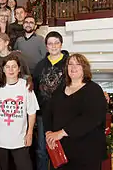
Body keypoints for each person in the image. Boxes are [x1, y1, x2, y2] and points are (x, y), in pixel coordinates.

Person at [44, 53, 107, 170]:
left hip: (86, 152)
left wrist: (61, 133)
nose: (73, 67)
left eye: (78, 64)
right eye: (70, 64)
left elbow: (91, 118)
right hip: (61, 151)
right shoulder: (60, 88)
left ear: (84, 68)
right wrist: (49, 133)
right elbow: (48, 112)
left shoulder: (93, 90)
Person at [0, 55, 39, 170]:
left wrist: (30, 133)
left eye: (14, 67)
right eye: (7, 67)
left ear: (19, 69)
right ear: (3, 69)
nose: (11, 70)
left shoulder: (26, 86)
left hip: (20, 138)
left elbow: (31, 112)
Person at [33, 31, 69, 170]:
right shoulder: (40, 65)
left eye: (56, 43)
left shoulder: (69, 63)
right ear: (46, 46)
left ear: (61, 44)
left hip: (64, 114)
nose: (53, 46)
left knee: (61, 150)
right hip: (44, 114)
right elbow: (35, 88)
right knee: (42, 150)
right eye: (50, 43)